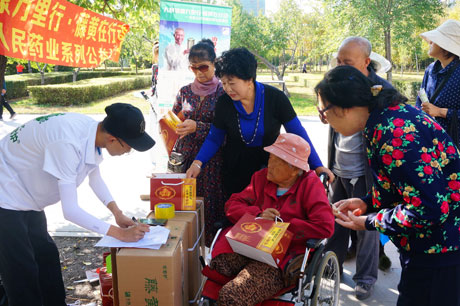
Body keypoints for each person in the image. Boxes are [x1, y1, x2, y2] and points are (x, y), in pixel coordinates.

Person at [315, 65, 460, 306]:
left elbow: (430, 209)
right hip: (430, 244)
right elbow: (408, 185)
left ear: (344, 109)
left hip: (440, 250)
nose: (323, 118)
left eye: (323, 111)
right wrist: (367, 202)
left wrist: (370, 221)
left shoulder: (392, 133)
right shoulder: (385, 116)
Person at [0, 103, 155, 306]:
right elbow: (70, 211)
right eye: (129, 147)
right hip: (6, 195)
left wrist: (117, 213)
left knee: (46, 257)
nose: (128, 152)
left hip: (26, 197)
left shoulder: (93, 133)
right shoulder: (68, 143)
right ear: (113, 139)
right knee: (21, 270)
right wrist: (119, 233)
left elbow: (95, 178)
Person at [186, 47, 333, 199]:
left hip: (270, 171)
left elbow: (298, 133)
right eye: (223, 83)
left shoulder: (275, 98)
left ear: (249, 80)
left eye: (232, 83)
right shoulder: (224, 102)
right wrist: (198, 163)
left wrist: (317, 166)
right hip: (234, 171)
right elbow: (214, 138)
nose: (227, 89)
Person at [209, 133, 335, 306]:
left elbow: (325, 227)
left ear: (294, 168)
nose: (269, 164)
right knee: (220, 263)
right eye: (270, 157)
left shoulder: (310, 185)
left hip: (281, 256)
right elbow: (232, 204)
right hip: (251, 242)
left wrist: (283, 226)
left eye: (276, 160)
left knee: (232, 296)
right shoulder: (260, 178)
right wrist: (258, 215)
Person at [324, 36, 390, 300]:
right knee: (336, 222)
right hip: (339, 169)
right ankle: (333, 267)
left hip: (366, 174)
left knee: (365, 229)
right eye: (338, 61)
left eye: (347, 62)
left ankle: (365, 279)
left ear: (366, 62)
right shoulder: (337, 86)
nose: (340, 66)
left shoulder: (381, 93)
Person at [172, 39, 226, 246]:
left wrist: (199, 127)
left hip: (212, 163)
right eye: (193, 68)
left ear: (214, 64)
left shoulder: (224, 93)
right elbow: (175, 116)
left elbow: (227, 131)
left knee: (210, 210)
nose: (198, 73)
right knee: (185, 207)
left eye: (203, 67)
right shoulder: (185, 91)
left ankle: (211, 258)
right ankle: (185, 255)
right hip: (185, 158)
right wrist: (173, 126)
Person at [415, 20, 460, 147]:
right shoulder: (430, 70)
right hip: (429, 142)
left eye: (434, 40)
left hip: (453, 144)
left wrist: (440, 112)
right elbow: (420, 102)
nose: (429, 41)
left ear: (445, 46)